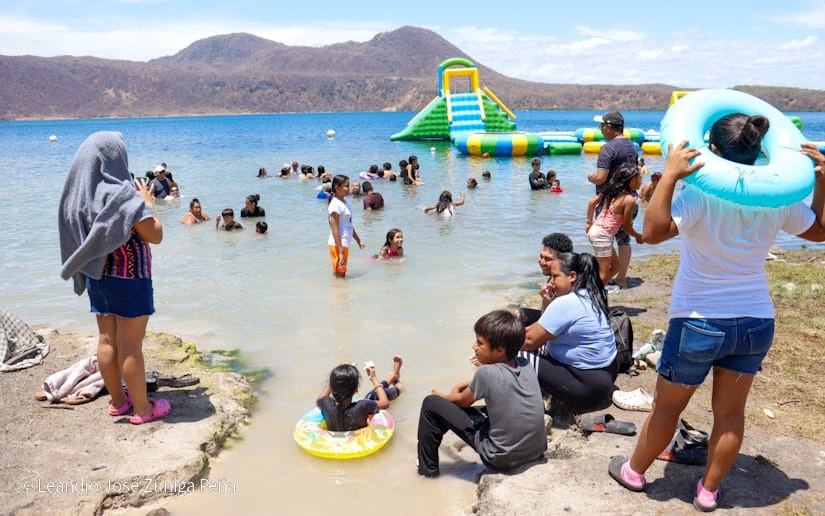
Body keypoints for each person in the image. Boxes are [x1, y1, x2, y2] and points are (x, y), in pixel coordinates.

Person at [607, 116, 825, 512]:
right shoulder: (776, 196)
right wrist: (823, 182)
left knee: (668, 407)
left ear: (714, 148)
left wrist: (671, 175)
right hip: (756, 322)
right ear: (759, 150)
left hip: (699, 321)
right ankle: (707, 491)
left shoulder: (701, 194)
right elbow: (819, 231)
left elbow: (654, 233)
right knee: (729, 413)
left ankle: (634, 472)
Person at [57, 131, 171, 425]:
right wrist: (148, 203)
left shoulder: (83, 196)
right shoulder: (123, 195)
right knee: (131, 345)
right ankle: (143, 410)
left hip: (98, 277)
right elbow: (154, 235)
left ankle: (119, 402)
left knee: (107, 339)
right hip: (130, 278)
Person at [416, 310, 547, 478]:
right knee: (489, 409)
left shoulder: (486, 373)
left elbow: (462, 401)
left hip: (500, 458)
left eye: (480, 343)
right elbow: (502, 392)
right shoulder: (525, 364)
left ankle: (427, 472)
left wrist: (443, 395)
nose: (474, 347)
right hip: (535, 452)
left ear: (499, 351)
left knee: (432, 404)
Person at [519, 252, 617, 414]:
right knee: (523, 331)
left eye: (555, 276)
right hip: (606, 374)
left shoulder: (568, 302)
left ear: (572, 276)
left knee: (511, 354)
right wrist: (547, 301)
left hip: (587, 386)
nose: (551, 282)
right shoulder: (591, 294)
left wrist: (492, 349)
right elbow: (542, 328)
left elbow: (529, 340)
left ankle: (524, 411)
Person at [587, 111, 639, 289]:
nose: (600, 129)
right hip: (629, 199)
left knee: (603, 239)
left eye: (601, 126)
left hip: (610, 203)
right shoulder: (632, 146)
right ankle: (622, 278)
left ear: (609, 127)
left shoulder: (607, 149)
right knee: (624, 240)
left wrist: (591, 177)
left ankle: (604, 277)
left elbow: (601, 177)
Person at [586, 163, 644, 287]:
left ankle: (595, 292)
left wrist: (589, 223)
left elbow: (591, 203)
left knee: (616, 267)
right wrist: (638, 236)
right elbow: (626, 227)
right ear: (631, 180)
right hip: (602, 235)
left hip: (596, 230)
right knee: (603, 275)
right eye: (639, 178)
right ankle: (589, 296)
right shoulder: (629, 199)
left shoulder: (611, 192)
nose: (641, 180)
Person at [317, 356, 403, 432]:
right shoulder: (363, 406)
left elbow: (320, 398)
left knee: (372, 396)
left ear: (332, 386)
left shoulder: (326, 404)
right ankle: (397, 384)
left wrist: (339, 375)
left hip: (336, 444)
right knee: (372, 395)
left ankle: (392, 377)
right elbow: (385, 403)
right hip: (360, 444)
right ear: (356, 389)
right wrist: (373, 378)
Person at [327, 174, 365, 278]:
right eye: (346, 186)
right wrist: (341, 251)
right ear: (337, 187)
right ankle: (339, 294)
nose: (349, 189)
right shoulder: (335, 204)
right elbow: (335, 229)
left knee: (341, 274)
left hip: (344, 243)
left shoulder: (346, 202)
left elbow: (349, 224)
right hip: (337, 245)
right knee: (340, 276)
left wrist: (358, 240)